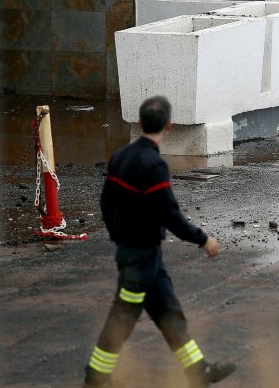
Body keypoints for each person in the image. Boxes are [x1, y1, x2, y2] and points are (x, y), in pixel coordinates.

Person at [83, 96, 235, 388]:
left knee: (168, 312)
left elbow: (105, 203)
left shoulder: (121, 156)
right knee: (123, 316)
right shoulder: (153, 165)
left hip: (142, 255)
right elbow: (169, 214)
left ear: (139, 123)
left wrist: (119, 235)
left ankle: (198, 372)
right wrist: (203, 240)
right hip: (139, 257)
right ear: (169, 126)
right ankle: (96, 378)